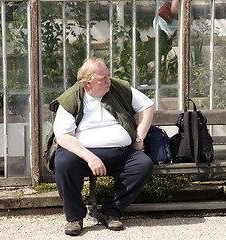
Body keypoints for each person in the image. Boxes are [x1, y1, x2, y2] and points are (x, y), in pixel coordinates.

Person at [50, 58, 155, 236]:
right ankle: (74, 217)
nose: (108, 81)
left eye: (108, 76)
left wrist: (139, 138)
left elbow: (148, 106)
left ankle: (111, 211)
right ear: (87, 83)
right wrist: (90, 158)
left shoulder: (118, 88)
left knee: (143, 164)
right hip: (82, 155)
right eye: (103, 78)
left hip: (121, 152)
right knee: (63, 162)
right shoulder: (70, 99)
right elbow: (63, 137)